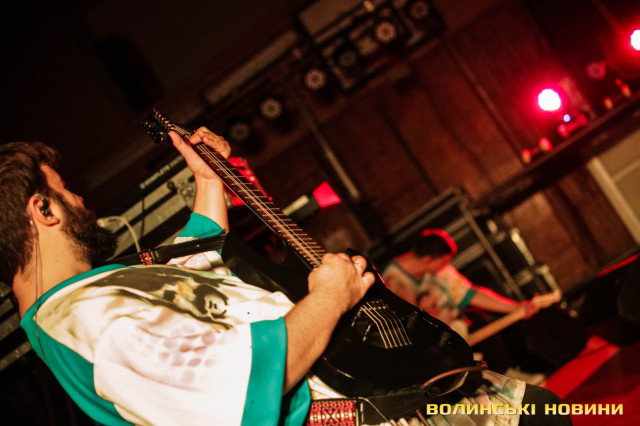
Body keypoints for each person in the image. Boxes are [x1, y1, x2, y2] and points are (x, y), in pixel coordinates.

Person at [0, 129, 570, 425]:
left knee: (545, 414)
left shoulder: (93, 296)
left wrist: (210, 182)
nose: (83, 201)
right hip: (371, 414)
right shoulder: (90, 322)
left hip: (400, 398)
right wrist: (331, 295)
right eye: (65, 192)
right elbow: (236, 388)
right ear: (42, 211)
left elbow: (195, 269)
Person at [382, 229, 539, 341]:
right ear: (428, 259)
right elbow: (412, 325)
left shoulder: (437, 270)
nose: (446, 267)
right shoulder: (394, 280)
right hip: (428, 346)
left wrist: (516, 307)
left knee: (476, 320)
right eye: (442, 263)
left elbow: (471, 294)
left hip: (452, 334)